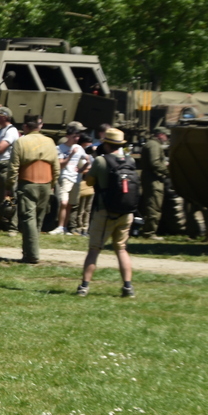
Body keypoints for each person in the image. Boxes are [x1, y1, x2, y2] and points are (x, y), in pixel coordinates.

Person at [77, 128, 137, 298]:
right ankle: (128, 287)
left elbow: (89, 182)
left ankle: (84, 286)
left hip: (105, 212)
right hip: (126, 212)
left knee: (94, 249)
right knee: (121, 248)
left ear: (106, 144)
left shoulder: (101, 162)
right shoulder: (130, 160)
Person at [5, 114, 60, 264]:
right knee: (38, 220)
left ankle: (32, 254)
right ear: (39, 126)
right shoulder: (50, 142)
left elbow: (13, 167)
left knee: (28, 219)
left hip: (28, 183)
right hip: (46, 184)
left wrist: (9, 186)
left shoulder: (21, 142)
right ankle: (29, 252)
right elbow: (56, 167)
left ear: (25, 127)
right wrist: (52, 185)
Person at [49, 122, 89, 235]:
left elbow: (88, 160)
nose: (77, 138)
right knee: (64, 202)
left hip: (76, 179)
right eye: (74, 136)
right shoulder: (60, 148)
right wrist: (71, 155)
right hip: (64, 178)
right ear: (68, 136)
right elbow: (60, 164)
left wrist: (82, 170)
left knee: (70, 204)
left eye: (78, 136)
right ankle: (60, 226)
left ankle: (65, 227)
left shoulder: (79, 148)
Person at [0, 105, 19, 233]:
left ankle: (12, 227)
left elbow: (1, 148)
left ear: (5, 116)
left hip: (5, 167)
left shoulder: (11, 131)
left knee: (10, 198)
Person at [137, 126, 169, 238]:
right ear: (160, 134)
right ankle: (149, 233)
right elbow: (154, 163)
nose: (167, 138)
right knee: (154, 206)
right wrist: (168, 172)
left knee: (151, 205)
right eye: (166, 135)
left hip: (151, 179)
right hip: (153, 180)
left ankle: (147, 230)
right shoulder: (154, 145)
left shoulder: (152, 144)